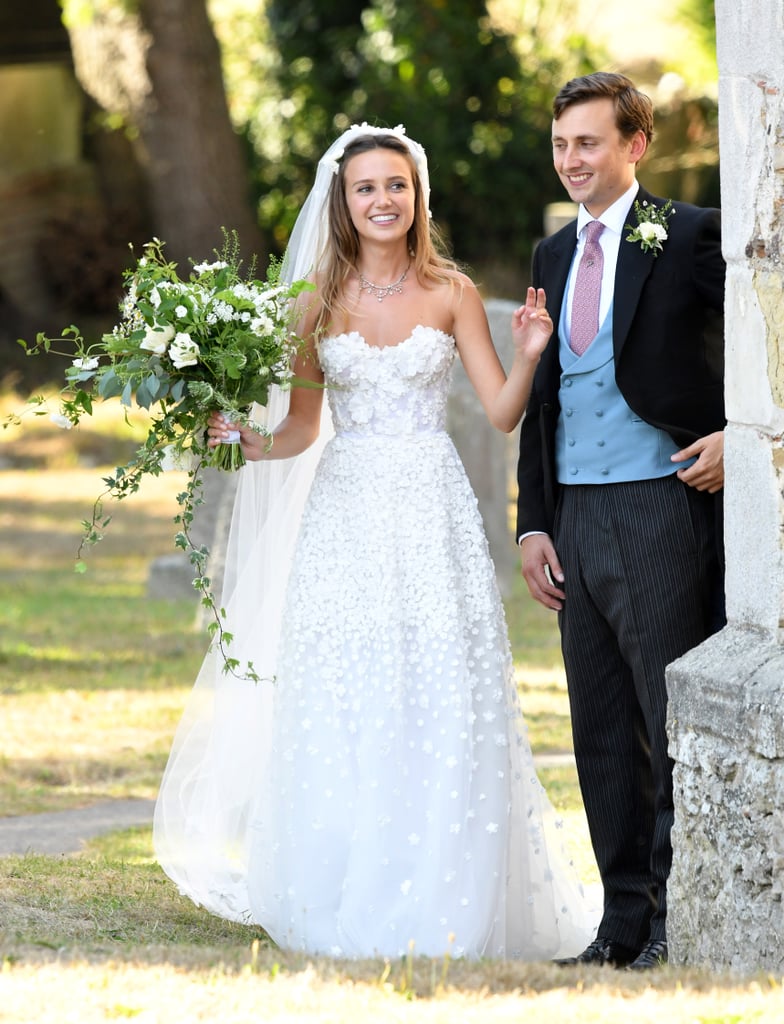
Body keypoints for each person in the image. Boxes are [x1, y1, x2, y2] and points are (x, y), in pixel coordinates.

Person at [153, 123, 599, 960]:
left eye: (396, 186)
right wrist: (247, 442)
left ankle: (446, 885)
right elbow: (300, 428)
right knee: (347, 684)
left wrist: (532, 353)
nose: (382, 200)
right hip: (347, 509)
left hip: (432, 508)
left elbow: (503, 413)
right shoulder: (313, 303)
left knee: (444, 681)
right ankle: (342, 878)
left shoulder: (452, 292)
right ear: (344, 202)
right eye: (366, 188)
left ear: (416, 196)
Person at [516, 72, 726, 970]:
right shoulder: (551, 257)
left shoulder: (690, 235)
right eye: (562, 145)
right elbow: (544, 400)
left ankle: (678, 919)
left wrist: (735, 437)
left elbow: (756, 349)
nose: (573, 161)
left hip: (659, 503)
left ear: (635, 145)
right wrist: (533, 523)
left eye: (589, 143)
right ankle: (620, 925)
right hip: (575, 514)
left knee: (663, 714)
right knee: (599, 723)